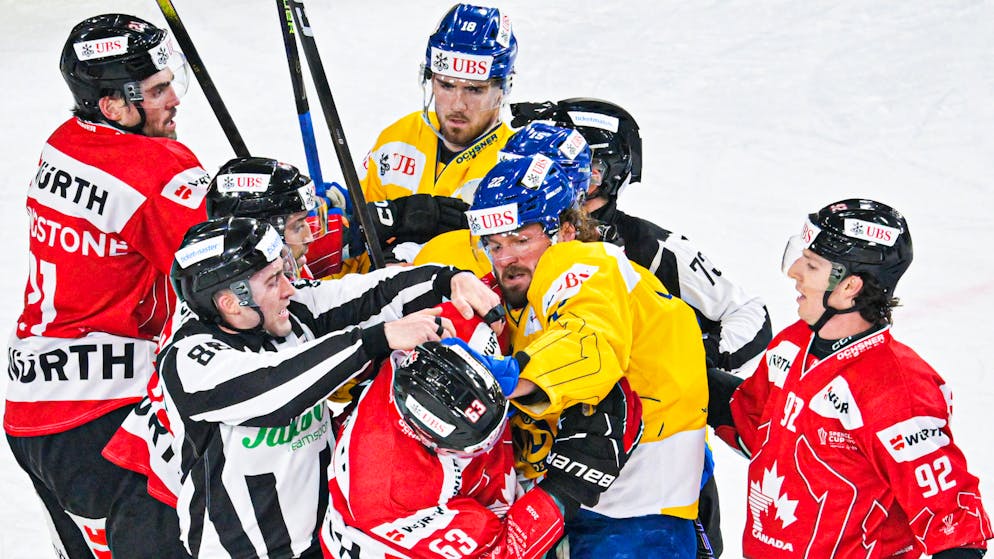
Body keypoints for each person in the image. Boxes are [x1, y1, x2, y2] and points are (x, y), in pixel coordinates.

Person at [160, 216, 501, 558]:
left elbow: (371, 292)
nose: (289, 289)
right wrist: (375, 339)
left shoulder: (286, 311)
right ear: (232, 302)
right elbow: (274, 387)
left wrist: (447, 279)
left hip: (324, 539)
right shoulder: (188, 358)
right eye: (274, 280)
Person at [5, 13, 207, 558]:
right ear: (114, 105)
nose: (174, 100)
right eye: (158, 90)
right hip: (107, 418)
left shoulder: (62, 144)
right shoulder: (158, 168)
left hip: (29, 411)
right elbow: (233, 270)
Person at [707, 199, 992, 558]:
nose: (794, 271)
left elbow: (951, 520)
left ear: (849, 287)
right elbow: (752, 421)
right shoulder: (794, 344)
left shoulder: (897, 388)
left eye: (811, 265)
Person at [465, 155, 710, 558]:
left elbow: (587, 346)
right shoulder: (521, 290)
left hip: (636, 515)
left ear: (564, 231)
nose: (506, 258)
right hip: (595, 507)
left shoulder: (584, 262)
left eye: (521, 240)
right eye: (495, 245)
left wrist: (505, 378)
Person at [102, 156, 328, 508]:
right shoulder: (230, 313)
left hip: (188, 483)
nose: (310, 237)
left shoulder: (234, 285)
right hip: (165, 500)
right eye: (298, 224)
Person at [321, 334, 642, 559]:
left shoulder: (413, 355)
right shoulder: (401, 496)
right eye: (474, 444)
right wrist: (570, 485)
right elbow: (505, 552)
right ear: (433, 443)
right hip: (395, 541)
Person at [352, 3, 519, 268]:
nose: (457, 104)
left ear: (504, 88)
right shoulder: (397, 138)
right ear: (429, 79)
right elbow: (353, 239)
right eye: (446, 85)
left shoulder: (514, 163)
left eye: (474, 90)